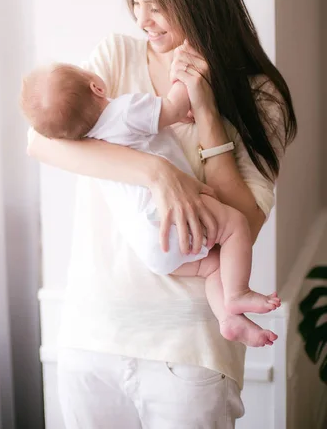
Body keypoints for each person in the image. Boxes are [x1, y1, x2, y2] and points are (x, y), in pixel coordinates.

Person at [27, 0, 297, 428]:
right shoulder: (115, 57)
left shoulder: (260, 97)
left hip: (188, 354)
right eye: (135, 1)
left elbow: (242, 221)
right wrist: (156, 171)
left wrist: (207, 110)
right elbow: (41, 141)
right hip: (92, 335)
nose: (143, 19)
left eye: (156, 3)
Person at [21, 62, 281, 348]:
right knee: (235, 226)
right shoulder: (126, 110)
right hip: (175, 219)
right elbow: (173, 107)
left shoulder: (91, 144)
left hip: (154, 248)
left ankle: (228, 319)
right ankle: (236, 294)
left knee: (211, 267)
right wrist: (187, 73)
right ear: (96, 86)